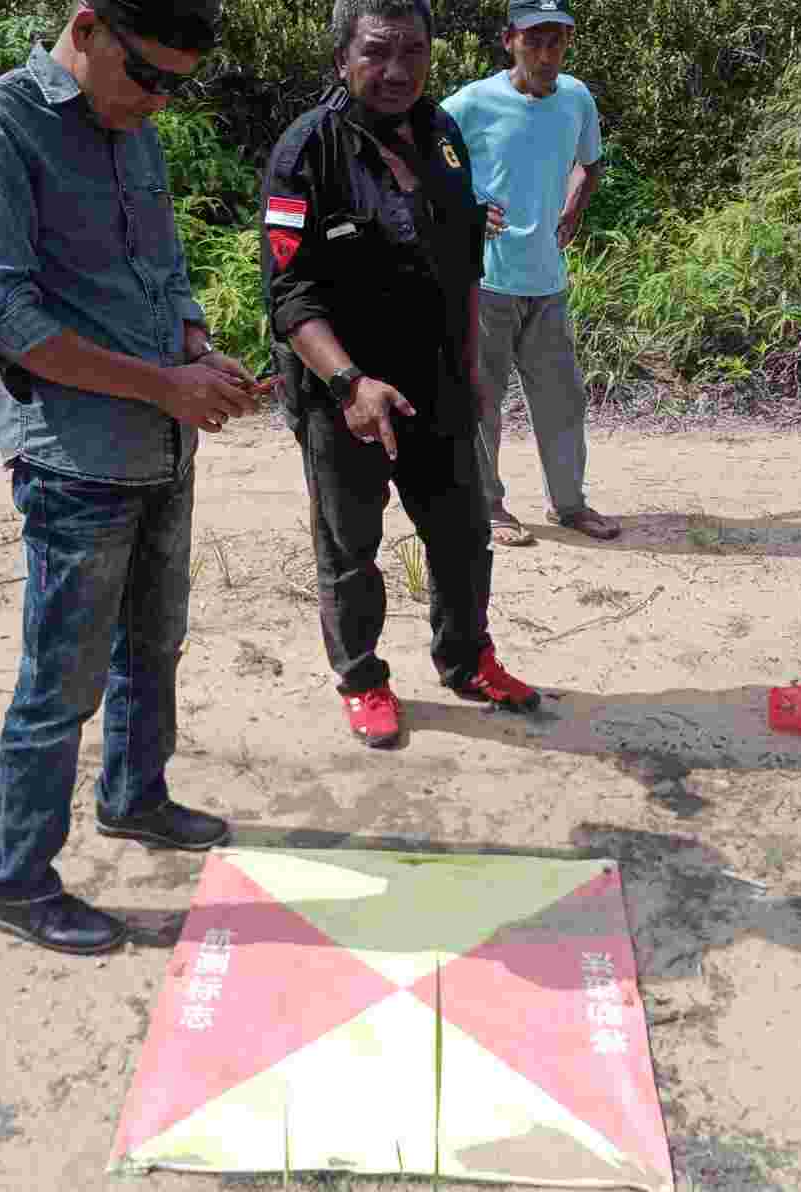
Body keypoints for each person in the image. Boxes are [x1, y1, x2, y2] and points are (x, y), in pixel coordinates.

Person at [0, 0, 262, 956]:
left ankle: (134, 796)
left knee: (154, 642)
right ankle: (19, 883)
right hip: (75, 459)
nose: (158, 100)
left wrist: (196, 348)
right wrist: (166, 384)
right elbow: (6, 316)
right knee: (61, 682)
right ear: (85, 28)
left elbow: (165, 269)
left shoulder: (135, 127)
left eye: (175, 86)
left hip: (161, 441)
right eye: (146, 75)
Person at [262, 0, 541, 750]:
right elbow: (289, 295)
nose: (397, 70)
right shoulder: (306, 151)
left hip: (438, 382)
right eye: (378, 52)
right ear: (342, 59)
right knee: (349, 548)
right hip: (344, 395)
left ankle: (466, 660)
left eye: (413, 52)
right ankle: (362, 679)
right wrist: (351, 384)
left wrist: (472, 370)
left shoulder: (441, 133)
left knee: (464, 534)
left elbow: (463, 259)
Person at [440, 0, 619, 548]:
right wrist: (464, 206)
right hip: (485, 282)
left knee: (563, 401)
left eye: (556, 42)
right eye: (534, 41)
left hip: (548, 282)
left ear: (567, 44)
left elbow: (590, 163)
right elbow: (421, 158)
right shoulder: (471, 102)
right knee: (482, 403)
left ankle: (570, 504)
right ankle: (489, 507)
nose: (545, 54)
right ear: (509, 41)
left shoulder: (576, 98)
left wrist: (573, 208)